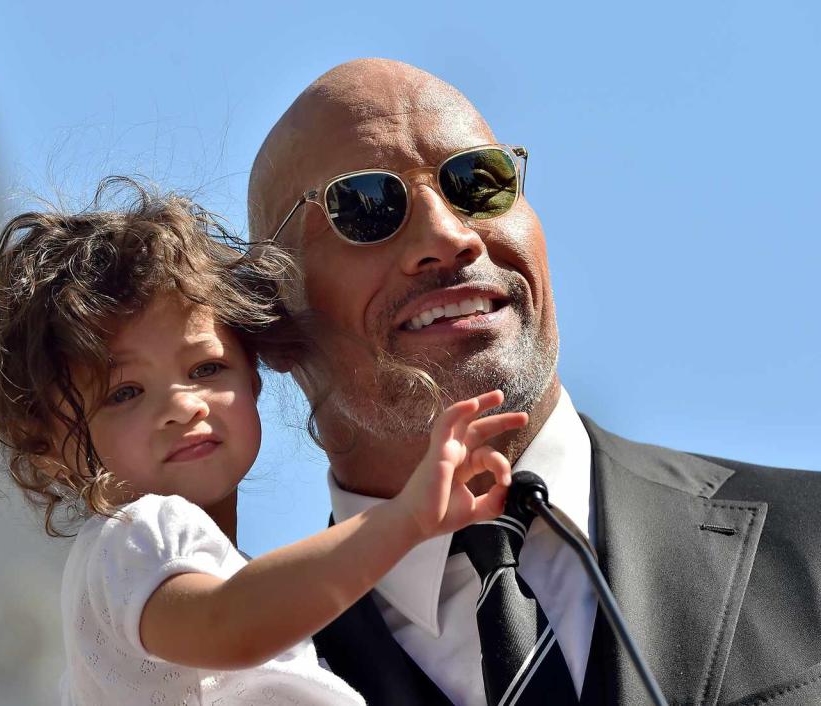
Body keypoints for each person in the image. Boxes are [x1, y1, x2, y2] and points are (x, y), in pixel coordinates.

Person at [247, 59, 821, 705]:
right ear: (271, 324)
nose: (449, 235)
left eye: (476, 181)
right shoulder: (221, 675)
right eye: (367, 207)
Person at [0, 177, 529, 705]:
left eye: (207, 369)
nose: (183, 405)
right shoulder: (134, 538)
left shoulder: (225, 574)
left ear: (253, 376)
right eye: (124, 393)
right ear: (50, 449)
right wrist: (404, 519)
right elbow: (229, 625)